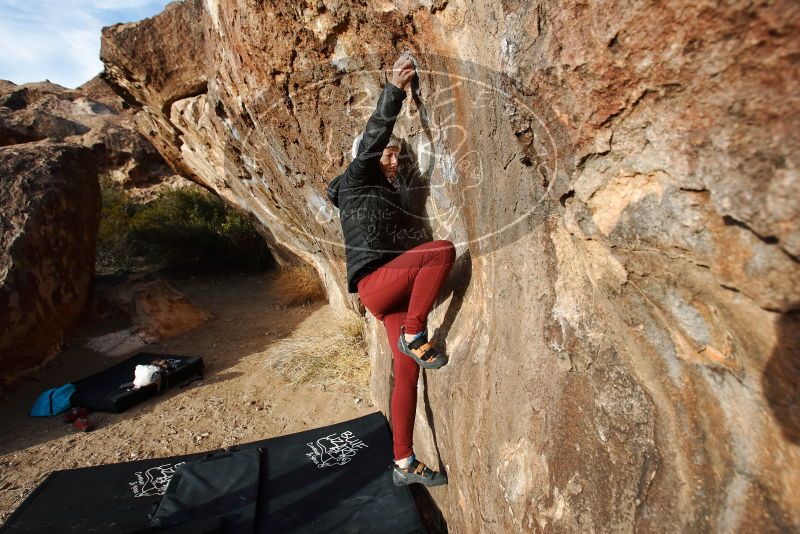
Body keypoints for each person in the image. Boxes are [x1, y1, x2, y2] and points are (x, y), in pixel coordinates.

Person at [327, 52, 455, 487]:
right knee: (440, 252)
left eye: (398, 155)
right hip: (375, 287)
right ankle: (415, 332)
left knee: (408, 373)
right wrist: (396, 91)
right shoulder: (356, 178)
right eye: (388, 155)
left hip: (393, 291)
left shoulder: (386, 191)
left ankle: (403, 463)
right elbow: (372, 137)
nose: (393, 160)